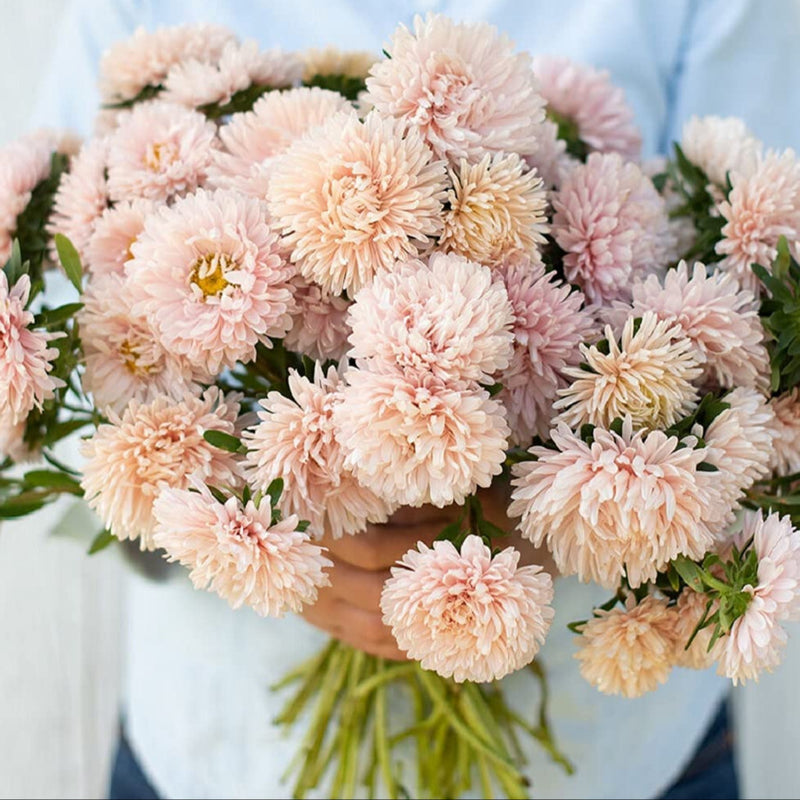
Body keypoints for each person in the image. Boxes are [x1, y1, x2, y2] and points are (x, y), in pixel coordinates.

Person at [31, 1, 800, 798]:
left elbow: (766, 299)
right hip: (221, 747)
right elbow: (65, 376)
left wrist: (566, 520)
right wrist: (274, 541)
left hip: (621, 761)